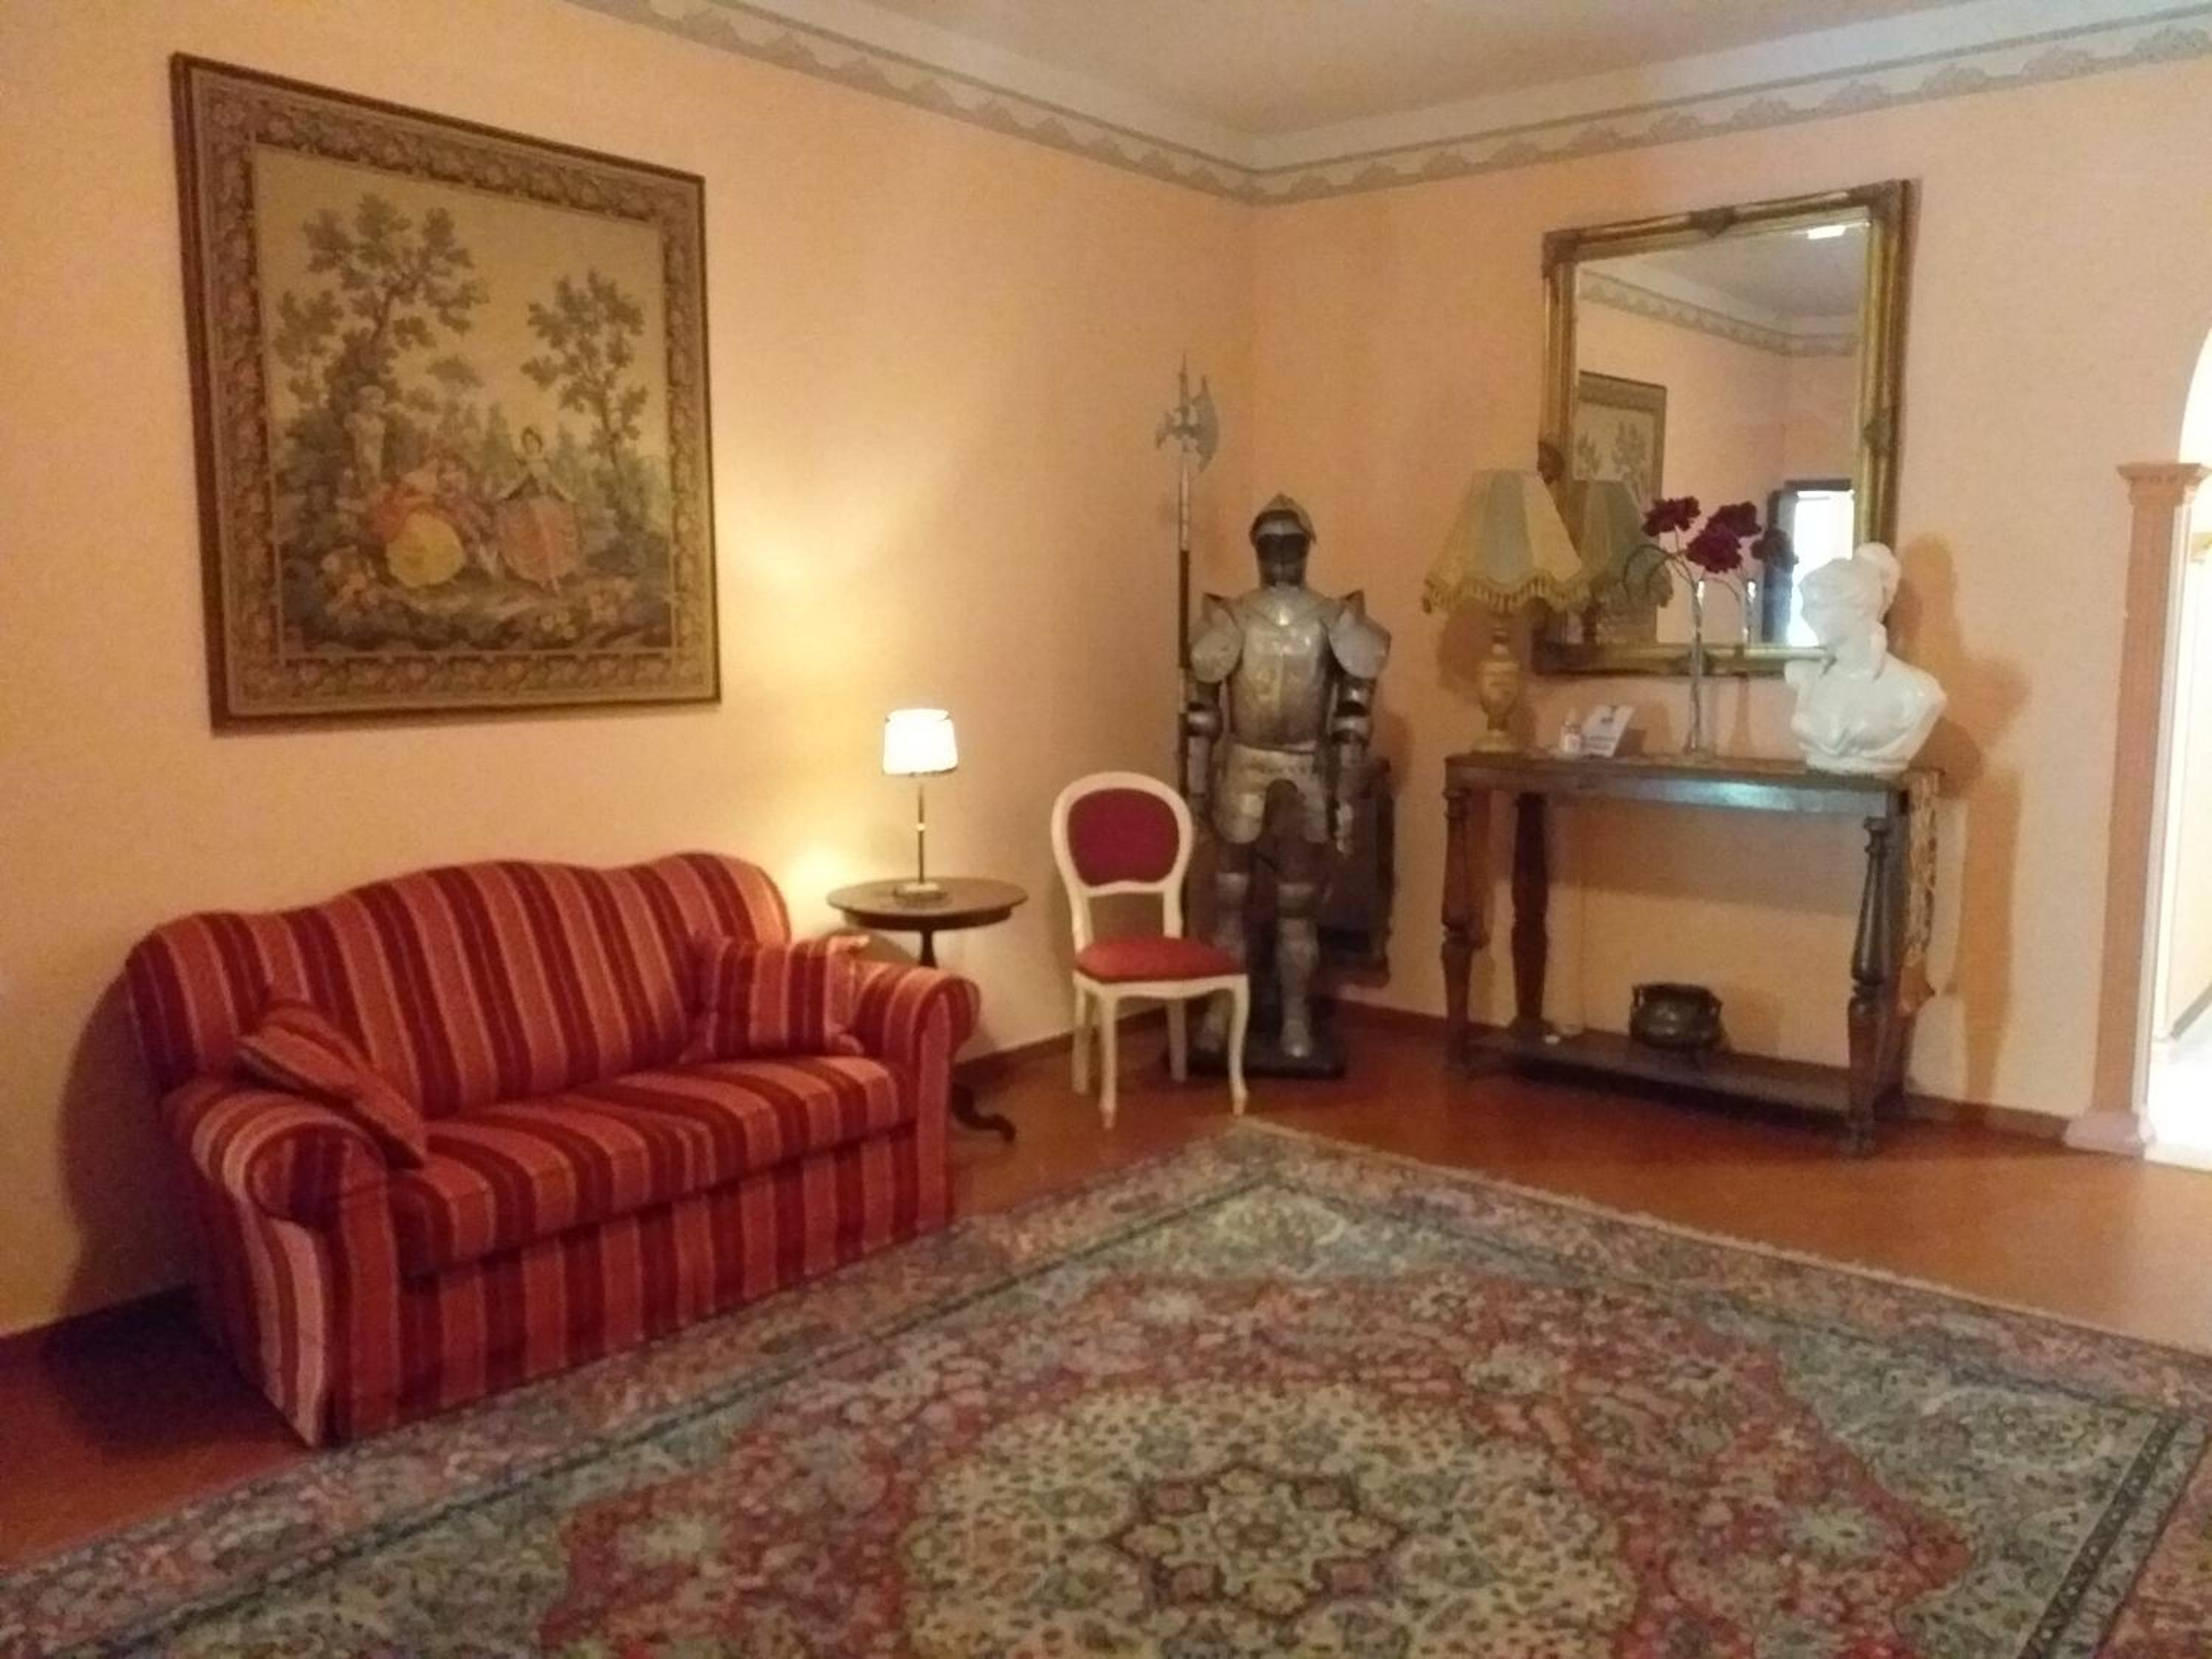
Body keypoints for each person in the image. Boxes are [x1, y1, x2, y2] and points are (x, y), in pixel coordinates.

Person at [1183, 495, 1390, 1065]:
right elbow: (1202, 718)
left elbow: (1352, 722)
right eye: (1270, 544)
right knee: (1229, 899)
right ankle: (1224, 1009)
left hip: (1305, 768)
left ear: (1306, 547)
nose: (1280, 555)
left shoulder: (1335, 619)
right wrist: (1196, 790)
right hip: (1243, 765)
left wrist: (1345, 799)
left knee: (1297, 903)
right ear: (1256, 548)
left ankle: (1297, 1016)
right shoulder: (1229, 618)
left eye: (1290, 543)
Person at [1785, 542, 1945, 776]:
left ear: (1858, 608)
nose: (1805, 615)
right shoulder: (1806, 677)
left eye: (1819, 605)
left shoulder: (1918, 691)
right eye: (1807, 605)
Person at [495, 426, 584, 591]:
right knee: (542, 536)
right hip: (531, 505)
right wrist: (503, 494)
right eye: (527, 442)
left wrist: (568, 496)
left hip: (546, 503)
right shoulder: (528, 465)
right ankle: (545, 576)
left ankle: (555, 574)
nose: (530, 445)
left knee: (555, 532)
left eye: (533, 441)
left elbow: (553, 482)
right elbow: (517, 483)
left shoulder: (544, 463)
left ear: (539, 442)